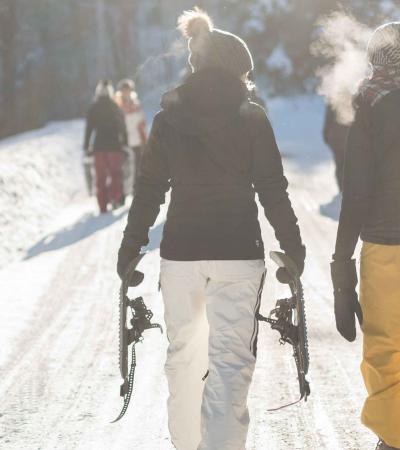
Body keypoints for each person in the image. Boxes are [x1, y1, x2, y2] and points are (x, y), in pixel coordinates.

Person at [117, 8, 305, 450]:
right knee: (229, 364)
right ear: (238, 71)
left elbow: (148, 190)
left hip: (181, 255)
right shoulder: (252, 117)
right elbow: (273, 190)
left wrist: (130, 247)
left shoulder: (167, 120)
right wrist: (293, 247)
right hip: (239, 254)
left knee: (184, 360)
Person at [331, 22, 400, 450]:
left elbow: (356, 195)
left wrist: (342, 267)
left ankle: (394, 439)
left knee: (387, 351)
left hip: (386, 247)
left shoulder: (370, 107)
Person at [84, 80, 128, 213]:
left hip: (98, 148)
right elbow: (122, 127)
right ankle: (114, 198)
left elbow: (89, 129)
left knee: (100, 177)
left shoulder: (93, 108)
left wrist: (86, 146)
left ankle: (102, 206)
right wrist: (125, 143)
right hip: (115, 146)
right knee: (115, 174)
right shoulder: (115, 106)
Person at [114, 79, 147, 195]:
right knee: (124, 168)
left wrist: (144, 139)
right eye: (124, 90)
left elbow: (142, 121)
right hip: (123, 141)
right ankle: (123, 193)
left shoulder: (136, 103)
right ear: (121, 91)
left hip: (137, 141)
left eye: (128, 90)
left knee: (137, 167)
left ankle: (135, 190)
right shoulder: (117, 104)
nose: (126, 92)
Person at [323, 103, 349, 191]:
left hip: (336, 139)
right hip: (345, 139)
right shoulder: (351, 98)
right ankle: (345, 189)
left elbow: (328, 119)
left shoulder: (333, 99)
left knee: (340, 165)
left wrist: (326, 135)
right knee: (346, 165)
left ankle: (342, 189)